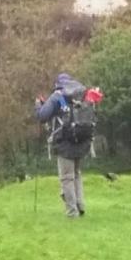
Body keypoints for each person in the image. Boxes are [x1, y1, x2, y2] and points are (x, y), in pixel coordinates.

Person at [35, 73, 91, 218]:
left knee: (67, 177)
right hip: (81, 140)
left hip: (64, 142)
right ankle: (80, 206)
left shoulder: (57, 96)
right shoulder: (79, 94)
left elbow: (42, 116)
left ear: (58, 84)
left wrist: (38, 105)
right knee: (76, 175)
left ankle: (72, 212)